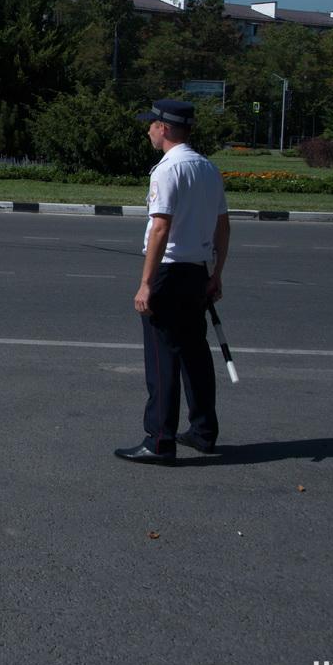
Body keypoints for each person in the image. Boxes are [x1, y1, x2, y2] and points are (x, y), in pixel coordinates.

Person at [115, 99, 231, 465]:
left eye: (151, 124)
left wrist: (146, 283)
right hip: (196, 270)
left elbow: (161, 228)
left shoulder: (167, 170)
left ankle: (160, 440)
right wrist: (216, 273)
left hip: (168, 270)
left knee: (162, 357)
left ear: (163, 128)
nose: (148, 130)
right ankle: (202, 431)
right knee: (195, 354)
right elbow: (223, 225)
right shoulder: (208, 168)